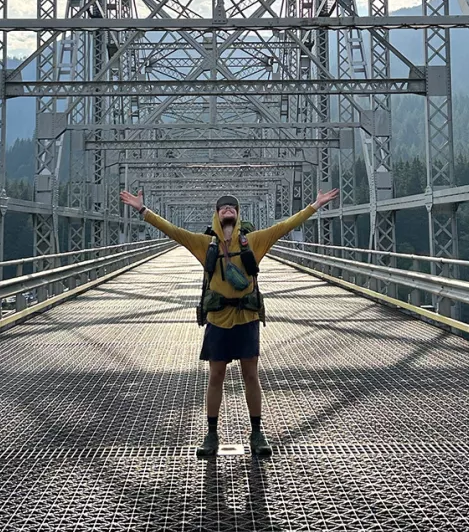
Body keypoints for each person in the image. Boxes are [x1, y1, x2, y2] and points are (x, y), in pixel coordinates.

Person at [119, 187, 340, 458]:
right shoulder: (204, 244)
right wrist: (143, 210)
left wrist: (314, 206)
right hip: (218, 319)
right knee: (216, 376)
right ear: (216, 213)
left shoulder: (255, 241)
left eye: (232, 207)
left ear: (238, 214)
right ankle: (211, 435)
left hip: (246, 318)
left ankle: (257, 433)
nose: (227, 209)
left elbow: (285, 226)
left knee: (251, 376)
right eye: (223, 207)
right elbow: (173, 231)